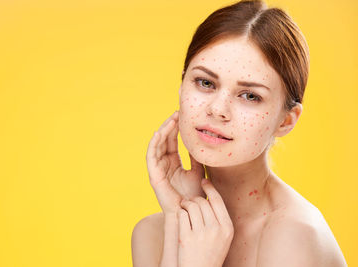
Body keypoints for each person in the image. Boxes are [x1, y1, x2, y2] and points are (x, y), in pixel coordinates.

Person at [131, 0, 347, 266]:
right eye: (205, 82)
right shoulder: (151, 234)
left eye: (249, 96)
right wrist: (179, 216)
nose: (218, 109)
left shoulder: (297, 237)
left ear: (286, 121)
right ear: (182, 84)